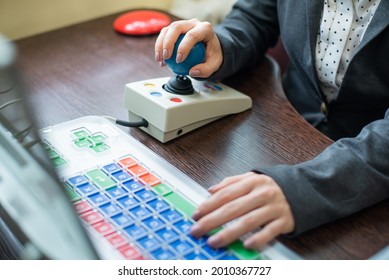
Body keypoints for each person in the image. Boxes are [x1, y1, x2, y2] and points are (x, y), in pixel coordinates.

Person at [154, 0, 389, 251]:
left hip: (367, 168)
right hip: (285, 123)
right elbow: (256, 17)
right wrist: (221, 45)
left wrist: (306, 188)